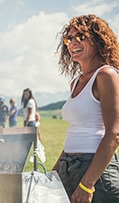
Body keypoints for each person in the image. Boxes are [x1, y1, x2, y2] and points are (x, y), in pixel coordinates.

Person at [52, 14, 119, 203]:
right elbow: (75, 131)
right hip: (69, 167)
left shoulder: (106, 75)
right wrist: (55, 170)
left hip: (95, 171)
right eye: (69, 38)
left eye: (80, 36)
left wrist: (87, 184)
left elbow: (114, 133)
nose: (72, 42)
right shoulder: (75, 82)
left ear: (97, 39)